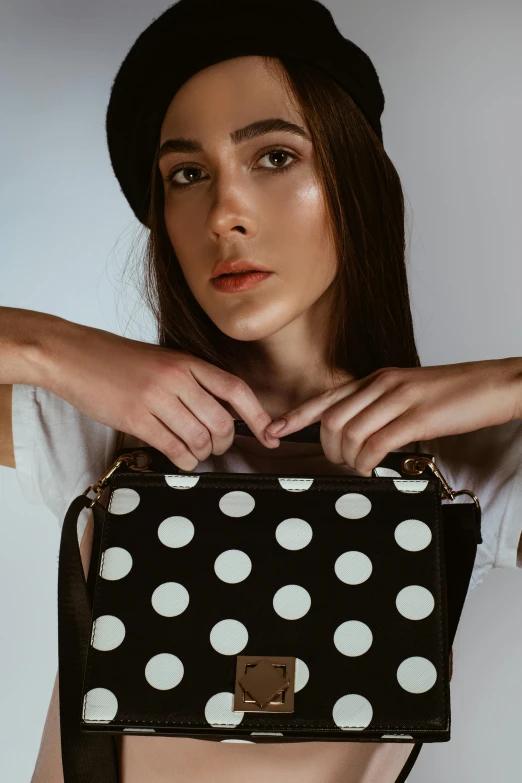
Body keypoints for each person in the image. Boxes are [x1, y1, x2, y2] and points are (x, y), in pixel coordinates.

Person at [1, 2, 521, 781]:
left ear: (354, 177)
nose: (225, 214)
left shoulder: (465, 469)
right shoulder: (107, 430)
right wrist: (59, 351)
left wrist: (511, 382)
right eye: (186, 174)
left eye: (274, 157)